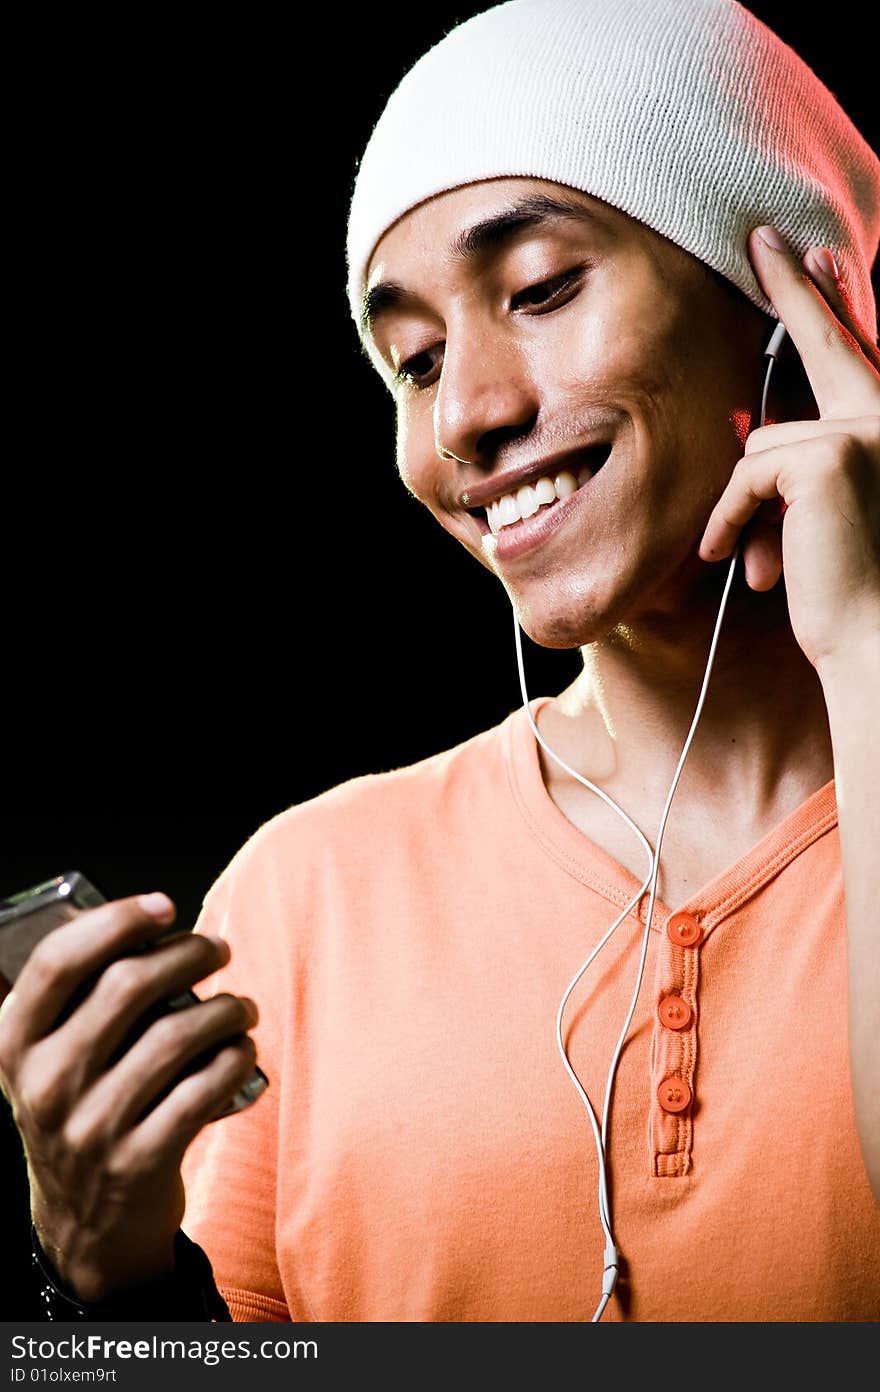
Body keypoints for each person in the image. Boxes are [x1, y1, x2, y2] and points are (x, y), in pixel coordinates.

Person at [1, 0, 878, 1323]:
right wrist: (99, 1277)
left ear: (791, 303)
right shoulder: (310, 898)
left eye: (540, 289)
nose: (466, 415)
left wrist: (869, 646)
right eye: (414, 359)